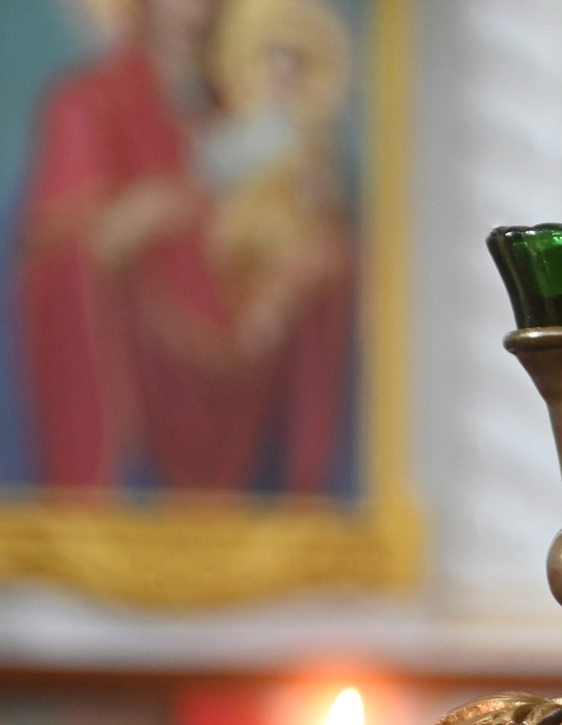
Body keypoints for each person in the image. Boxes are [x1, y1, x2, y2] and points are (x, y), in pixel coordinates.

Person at [16, 0, 353, 494]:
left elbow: (284, 216)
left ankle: (305, 498)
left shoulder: (244, 113)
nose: (194, 12)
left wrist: (299, 257)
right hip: (139, 349)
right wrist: (135, 220)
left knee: (336, 261)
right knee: (73, 265)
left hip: (246, 330)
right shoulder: (87, 104)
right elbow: (60, 249)